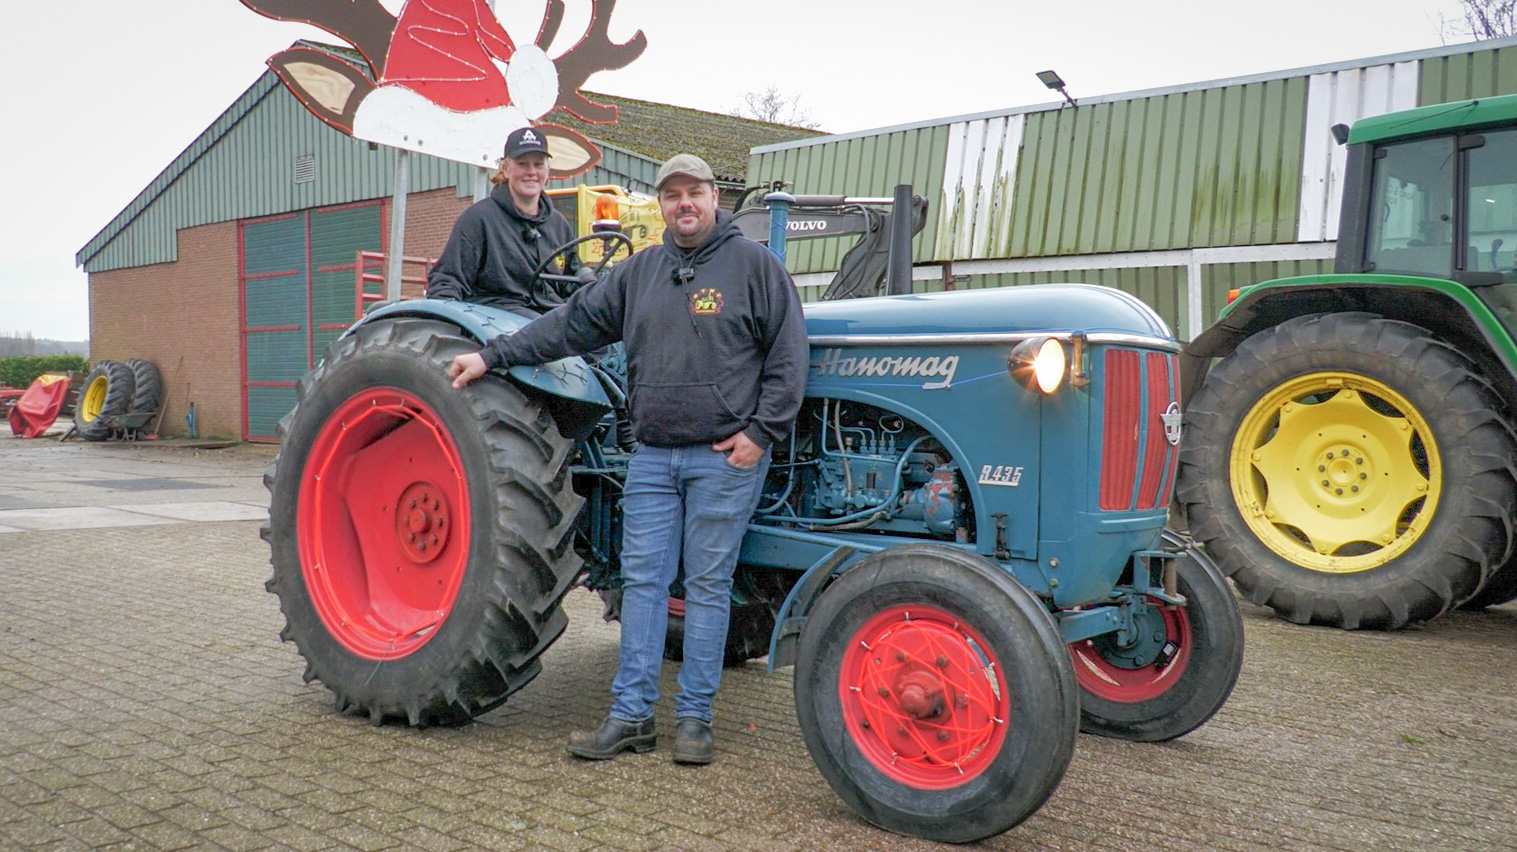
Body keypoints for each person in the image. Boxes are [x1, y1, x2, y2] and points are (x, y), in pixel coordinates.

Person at [447, 153, 809, 765]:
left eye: (694, 192)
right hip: (652, 459)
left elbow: (787, 355)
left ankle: (695, 720)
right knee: (643, 586)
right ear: (662, 205)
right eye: (672, 196)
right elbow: (571, 324)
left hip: (724, 460)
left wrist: (761, 434)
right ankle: (632, 715)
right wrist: (493, 356)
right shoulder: (641, 271)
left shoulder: (754, 266)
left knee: (708, 586)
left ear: (713, 196)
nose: (684, 204)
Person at [426, 126, 585, 315]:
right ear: (506, 169)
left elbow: (573, 280)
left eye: (538, 164)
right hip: (500, 317)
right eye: (522, 164)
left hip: (550, 314)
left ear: (548, 171)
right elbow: (448, 280)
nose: (531, 172)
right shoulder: (479, 219)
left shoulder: (557, 224)